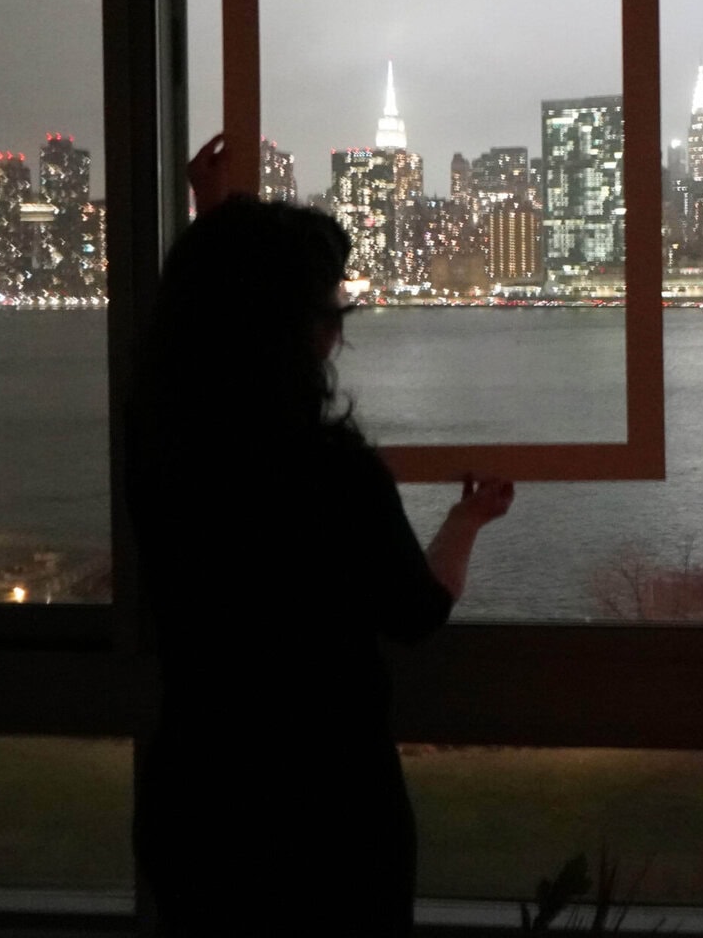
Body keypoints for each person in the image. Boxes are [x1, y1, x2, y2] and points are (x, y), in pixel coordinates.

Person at [129, 135, 514, 935]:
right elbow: (417, 612)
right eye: (329, 309)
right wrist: (465, 520)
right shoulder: (326, 472)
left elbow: (214, 303)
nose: (337, 326)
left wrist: (215, 216)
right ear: (299, 330)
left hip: (196, 798)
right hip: (327, 811)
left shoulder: (159, 448)